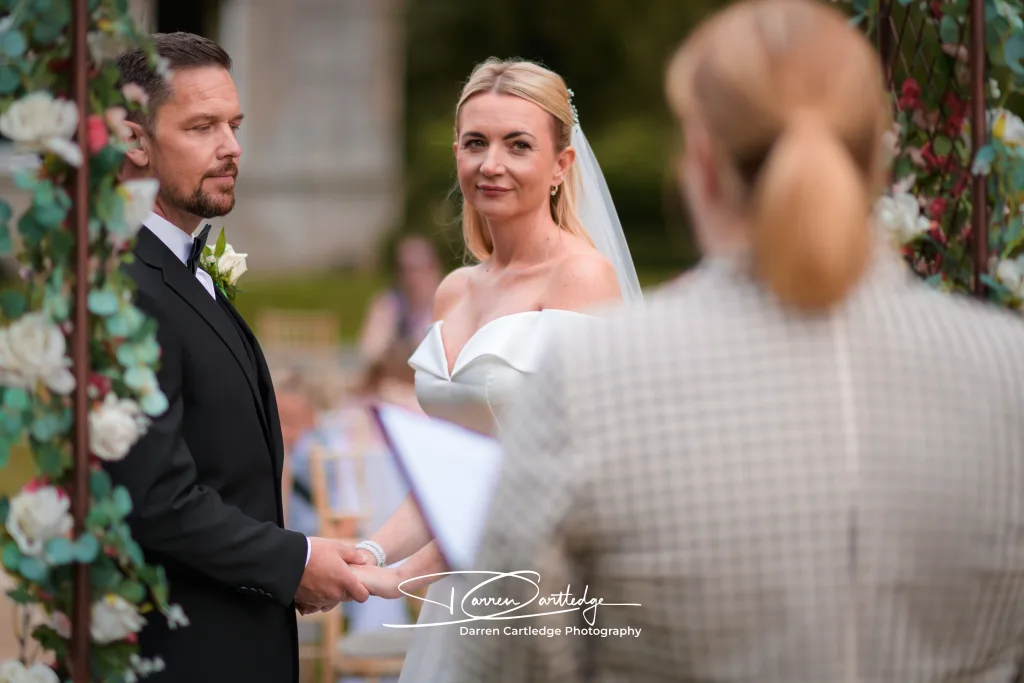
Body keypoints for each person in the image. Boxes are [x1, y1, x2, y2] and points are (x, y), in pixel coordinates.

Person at [446, 2, 1024, 682]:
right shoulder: (1007, 368)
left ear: (700, 163)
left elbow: (508, 653)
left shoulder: (592, 376)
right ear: (878, 160)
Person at [346, 58, 642, 682]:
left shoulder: (583, 279)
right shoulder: (453, 291)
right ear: (456, 151)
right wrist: (367, 551)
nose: (492, 164)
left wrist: (403, 575)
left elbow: (550, 478)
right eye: (476, 143)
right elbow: (454, 466)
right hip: (458, 586)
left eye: (518, 145)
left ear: (561, 166)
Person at [106, 32, 368, 683]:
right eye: (202, 126)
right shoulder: (121, 286)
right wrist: (294, 560)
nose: (232, 147)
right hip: (185, 652)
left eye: (235, 124)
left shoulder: (181, 267)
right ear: (134, 140)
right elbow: (156, 497)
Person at [358, 234, 444, 365]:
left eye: (417, 269)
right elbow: (370, 349)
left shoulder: (446, 304)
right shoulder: (388, 303)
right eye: (405, 269)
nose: (411, 277)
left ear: (434, 270)